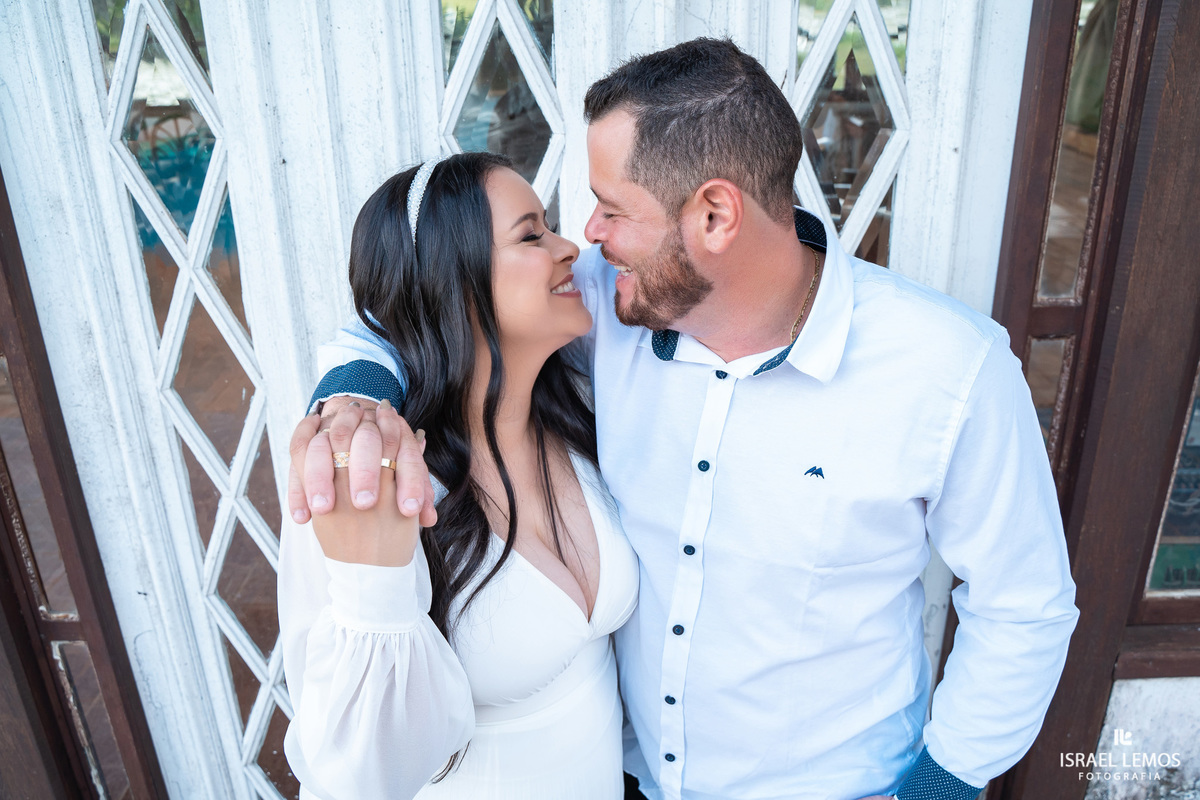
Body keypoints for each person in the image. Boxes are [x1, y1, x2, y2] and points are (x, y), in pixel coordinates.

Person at [290, 39, 1079, 800]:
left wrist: (936, 791)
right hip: (631, 781)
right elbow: (417, 308)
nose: (587, 237)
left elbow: (1024, 608)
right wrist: (353, 405)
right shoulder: (607, 296)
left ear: (714, 216)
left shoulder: (950, 369)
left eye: (611, 209)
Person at [279, 152, 639, 799]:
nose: (570, 248)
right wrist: (374, 589)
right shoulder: (368, 482)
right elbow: (352, 775)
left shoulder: (583, 409)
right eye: (531, 235)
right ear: (453, 285)